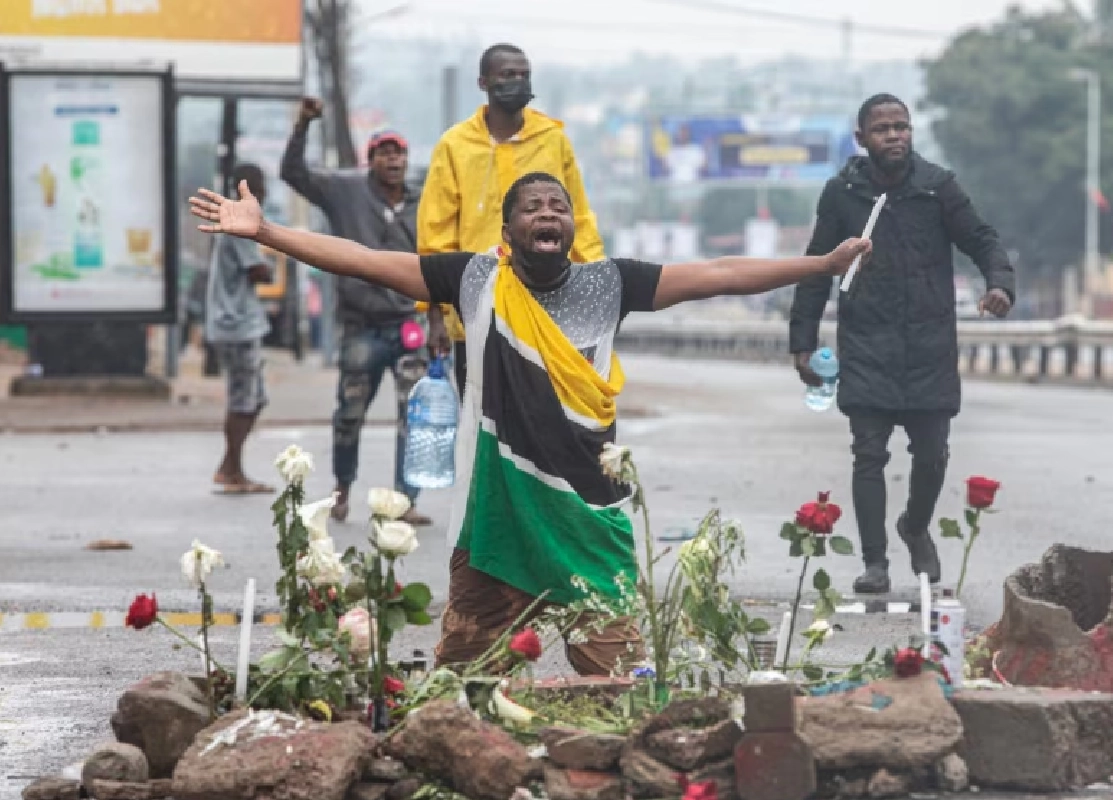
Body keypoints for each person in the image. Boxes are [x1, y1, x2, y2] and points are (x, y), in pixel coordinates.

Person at [189, 170, 870, 675]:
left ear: (571, 227)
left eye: (559, 205)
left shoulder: (612, 283)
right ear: (508, 230)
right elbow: (369, 262)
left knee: (618, 682)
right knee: (464, 682)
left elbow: (720, 272)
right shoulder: (474, 279)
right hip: (494, 514)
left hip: (586, 513)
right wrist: (269, 232)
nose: (549, 212)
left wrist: (822, 264)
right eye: (532, 206)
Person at [789, 94, 1016, 595]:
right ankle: (874, 563)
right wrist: (802, 341)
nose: (894, 136)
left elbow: (981, 238)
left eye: (902, 127)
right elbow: (815, 269)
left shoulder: (937, 188)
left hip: (930, 344)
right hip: (866, 342)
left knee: (932, 454)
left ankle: (914, 526)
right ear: (862, 139)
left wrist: (999, 284)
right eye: (883, 129)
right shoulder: (842, 194)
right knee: (868, 455)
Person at [418, 43, 605, 398]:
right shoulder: (455, 146)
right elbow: (436, 233)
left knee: (545, 412)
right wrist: (434, 314)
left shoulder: (552, 141)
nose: (518, 82)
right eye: (507, 75)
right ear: (483, 82)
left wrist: (594, 287)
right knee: (483, 415)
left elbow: (578, 217)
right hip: (476, 308)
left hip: (548, 305)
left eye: (524, 75)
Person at [281, 98, 433, 525]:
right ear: (371, 161)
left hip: (409, 324)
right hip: (361, 326)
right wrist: (304, 126)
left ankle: (405, 500)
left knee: (414, 415)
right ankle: (341, 488)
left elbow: (442, 255)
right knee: (349, 414)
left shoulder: (425, 202)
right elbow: (294, 174)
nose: (393, 159)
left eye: (399, 153)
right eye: (384, 152)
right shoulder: (345, 191)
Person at [205, 163, 275, 495]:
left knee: (256, 397)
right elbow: (260, 271)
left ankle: (232, 464)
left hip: (239, 322)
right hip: (237, 325)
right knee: (243, 399)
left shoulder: (233, 222)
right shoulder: (239, 225)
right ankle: (231, 468)